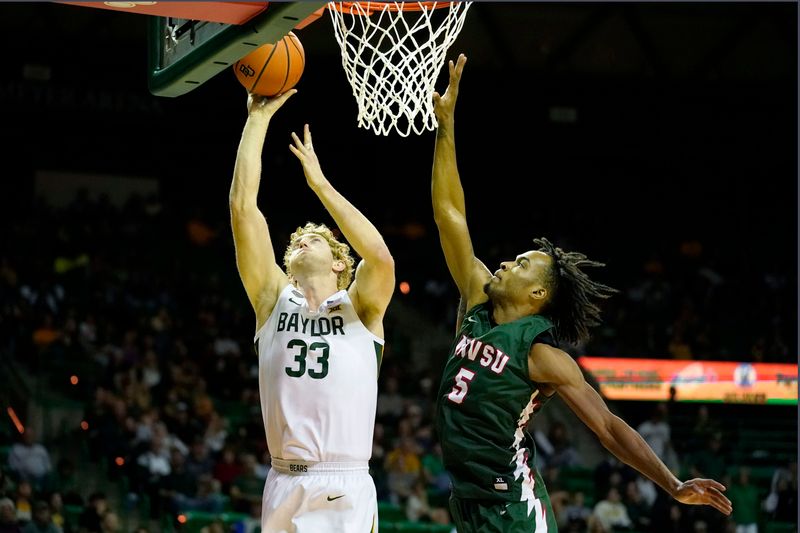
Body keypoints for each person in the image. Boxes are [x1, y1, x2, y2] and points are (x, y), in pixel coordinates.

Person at [429, 53, 733, 532]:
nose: (508, 262)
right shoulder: (478, 299)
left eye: (524, 264)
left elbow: (609, 428)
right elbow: (450, 215)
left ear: (537, 296)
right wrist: (445, 126)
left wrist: (673, 485)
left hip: (512, 506)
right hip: (467, 499)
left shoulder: (543, 356)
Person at [228, 89, 395, 532]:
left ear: (340, 262)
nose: (301, 240)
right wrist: (257, 120)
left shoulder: (361, 306)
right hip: (283, 478)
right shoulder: (272, 297)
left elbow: (379, 256)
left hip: (344, 481)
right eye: (296, 241)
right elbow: (243, 209)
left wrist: (320, 184)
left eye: (315, 238)